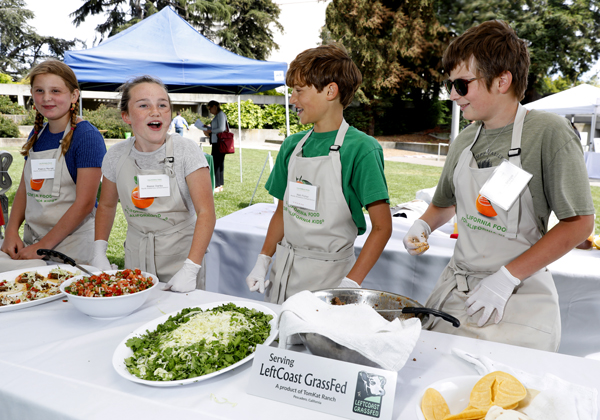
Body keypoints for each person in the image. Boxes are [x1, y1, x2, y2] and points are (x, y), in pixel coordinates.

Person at [402, 20, 595, 351]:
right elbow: (444, 203)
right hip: (457, 295)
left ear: (502, 80)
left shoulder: (548, 133)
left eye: (462, 84)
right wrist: (423, 223)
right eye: (450, 85)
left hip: (517, 301)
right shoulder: (465, 139)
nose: (452, 95)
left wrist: (506, 278)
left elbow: (579, 223)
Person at [245, 43, 392, 304]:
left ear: (330, 91)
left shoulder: (361, 149)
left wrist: (349, 284)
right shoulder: (292, 146)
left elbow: (382, 227)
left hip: (330, 281)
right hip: (284, 275)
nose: (292, 100)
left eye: (299, 91)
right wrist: (263, 259)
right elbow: (282, 212)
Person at [91, 75, 215, 292]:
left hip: (182, 259)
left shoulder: (186, 151)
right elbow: (107, 206)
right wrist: (99, 251)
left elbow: (206, 212)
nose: (155, 111)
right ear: (126, 116)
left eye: (162, 105)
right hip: (136, 259)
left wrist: (191, 268)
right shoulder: (115, 156)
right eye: (143, 105)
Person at [0, 60, 106, 271]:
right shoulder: (37, 135)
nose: (47, 98)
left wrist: (43, 247)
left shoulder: (86, 137)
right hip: (35, 242)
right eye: (40, 91)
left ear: (74, 95)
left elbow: (85, 203)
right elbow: (24, 189)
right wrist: (12, 232)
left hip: (72, 247)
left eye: (55, 91)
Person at [201, 100, 228, 193]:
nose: (210, 111)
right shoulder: (218, 115)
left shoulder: (220, 115)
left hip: (219, 142)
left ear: (215, 106)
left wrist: (211, 131)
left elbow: (221, 128)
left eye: (210, 108)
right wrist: (207, 128)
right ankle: (219, 184)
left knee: (217, 164)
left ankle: (218, 184)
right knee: (218, 163)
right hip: (217, 142)